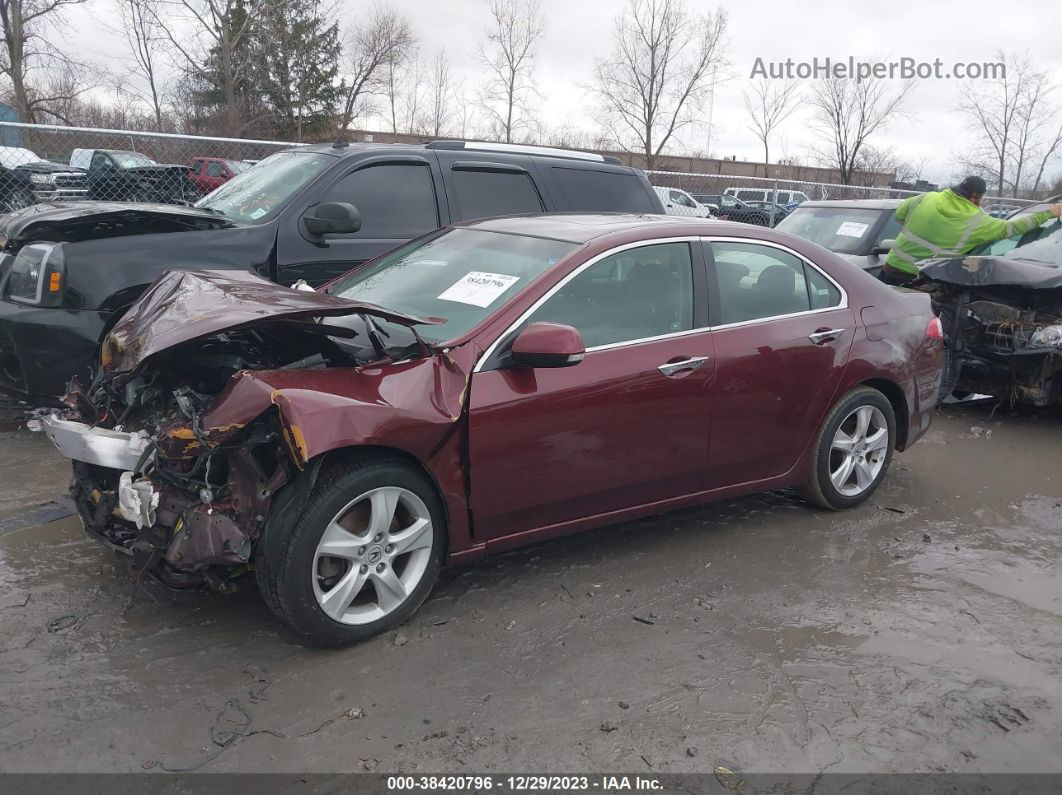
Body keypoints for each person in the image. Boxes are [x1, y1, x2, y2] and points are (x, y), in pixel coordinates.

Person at [879, 176, 1062, 286]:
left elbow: (899, 216)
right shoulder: (976, 221)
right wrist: (1049, 213)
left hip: (890, 269)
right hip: (921, 281)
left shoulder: (926, 197)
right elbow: (1013, 228)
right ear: (975, 196)